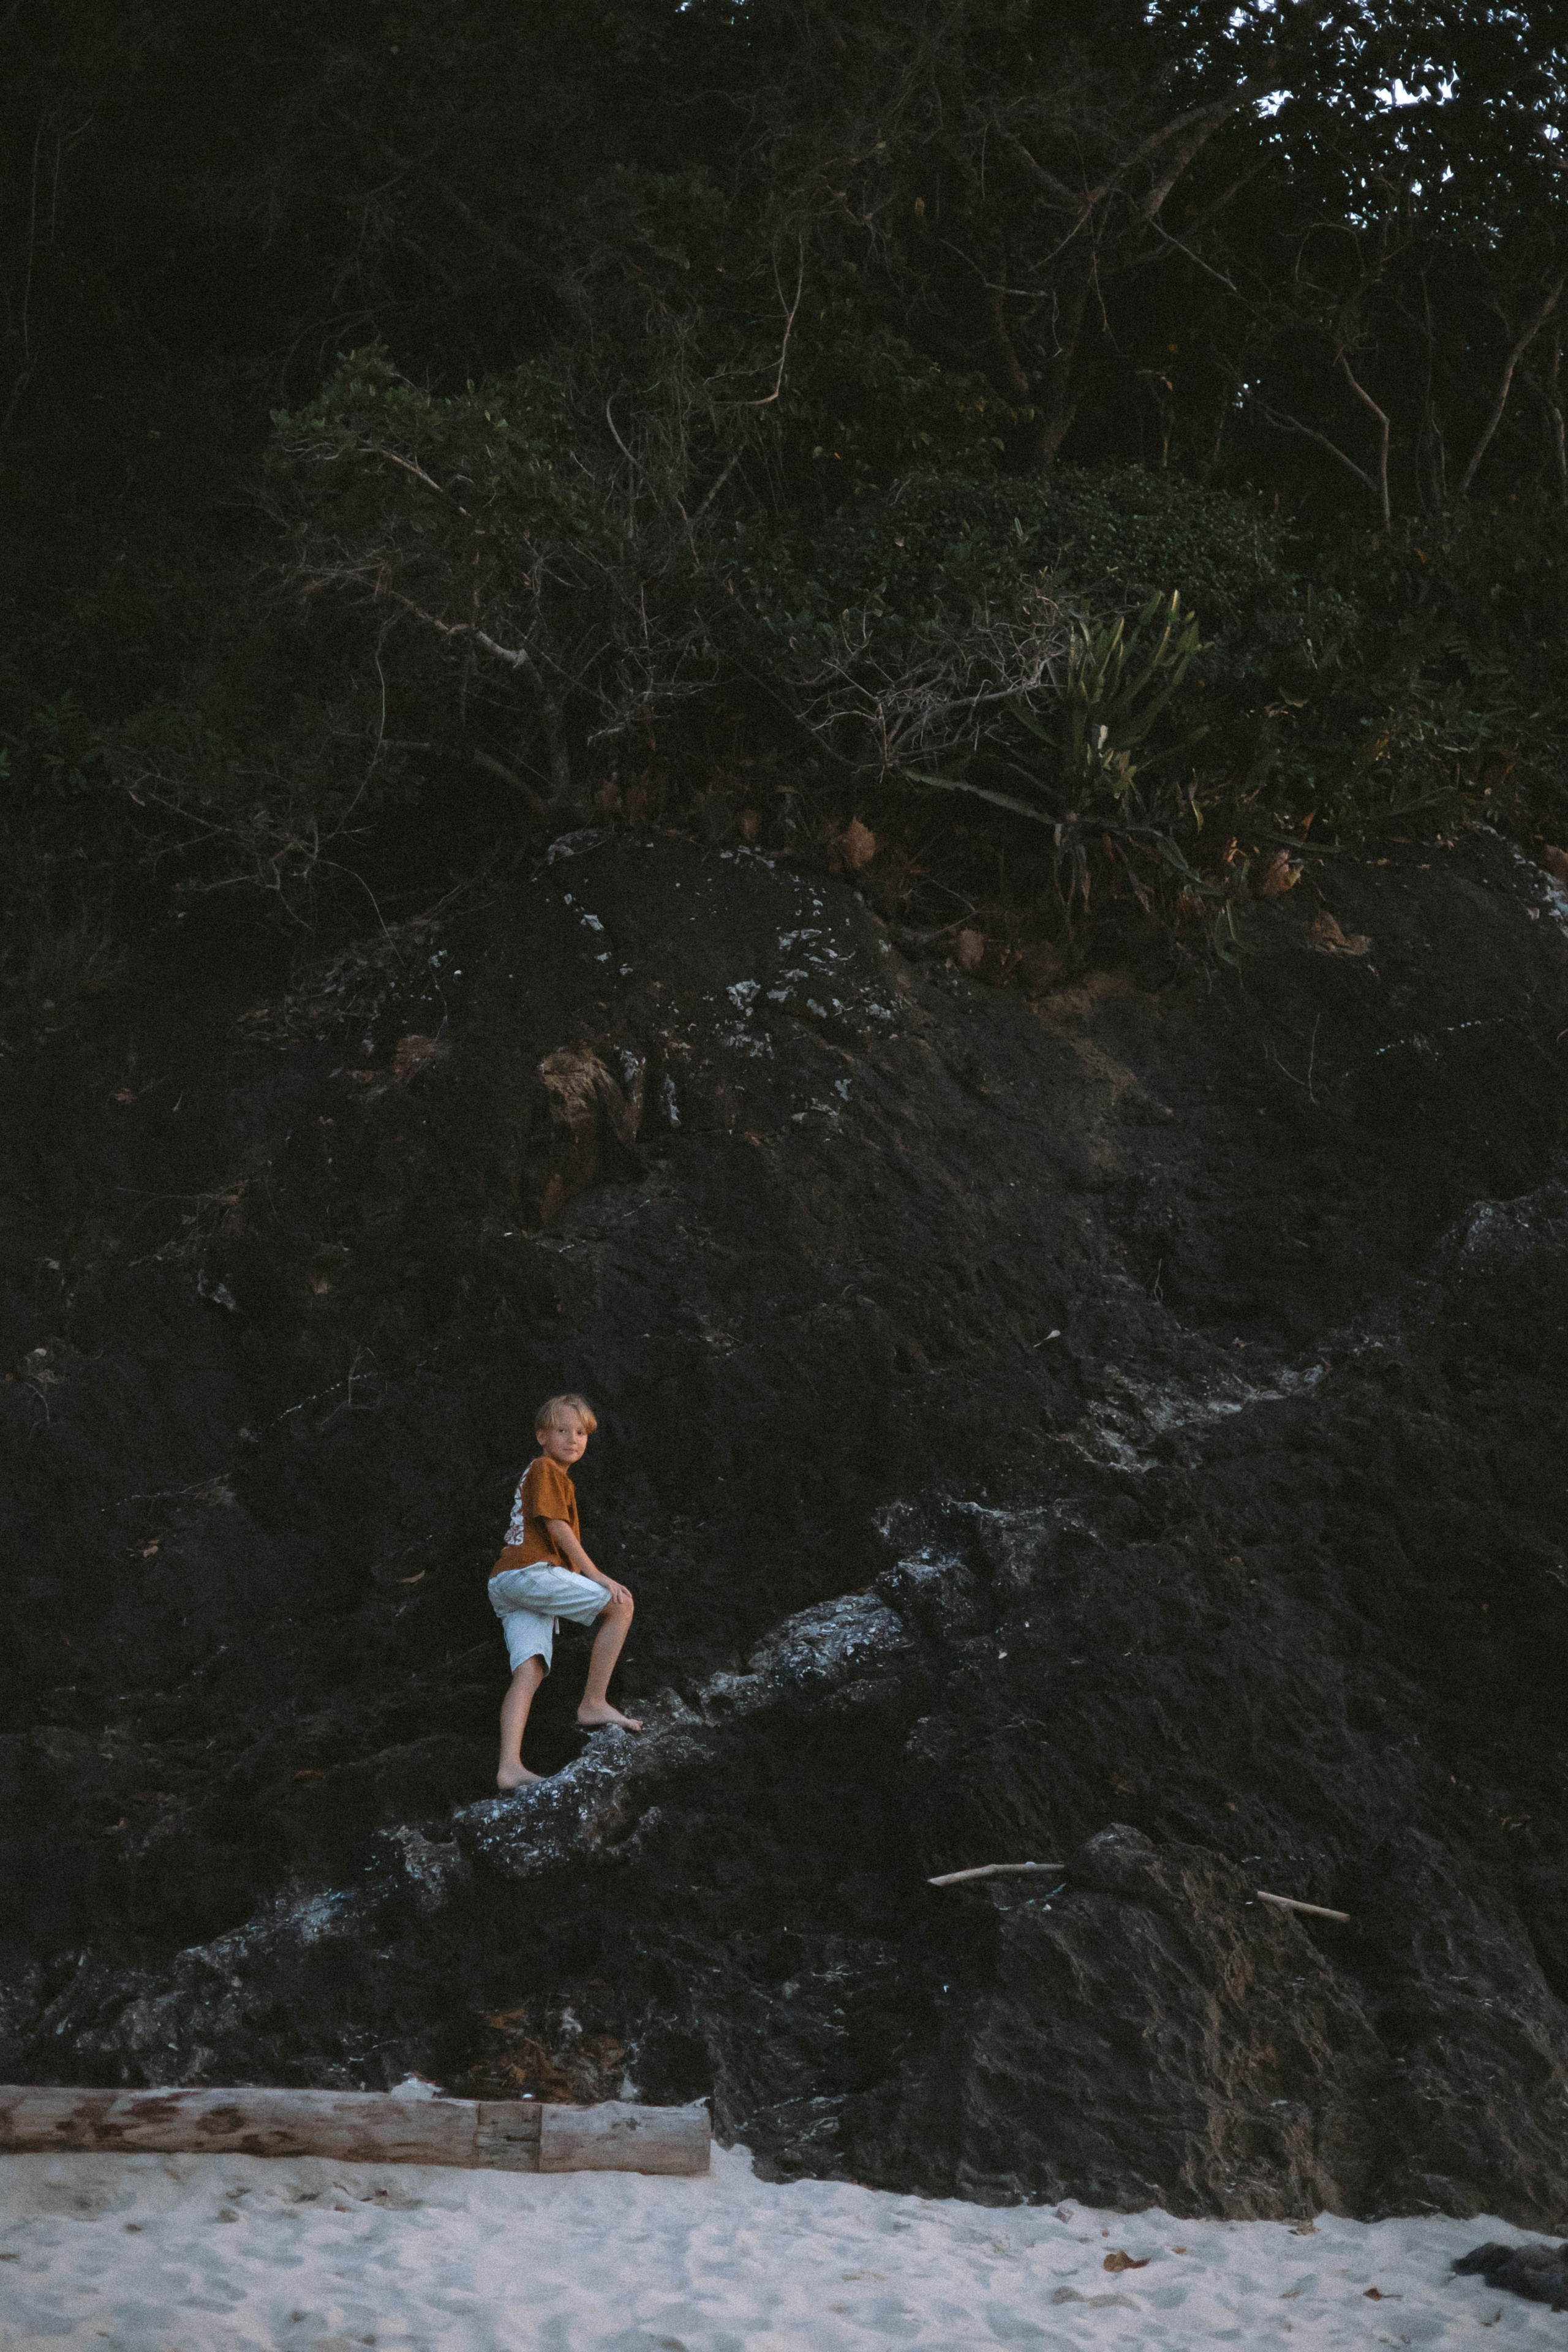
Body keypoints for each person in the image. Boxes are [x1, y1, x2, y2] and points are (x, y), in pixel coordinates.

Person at [489, 1393, 641, 1792]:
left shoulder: (554, 1476)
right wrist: (597, 1575)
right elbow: (557, 1528)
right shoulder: (545, 1469)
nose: (573, 1439)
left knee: (529, 1672)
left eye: (581, 1433)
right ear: (542, 1436)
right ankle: (593, 1702)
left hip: (507, 1585)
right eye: (562, 1431)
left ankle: (509, 1768)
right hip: (528, 1574)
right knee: (620, 1605)